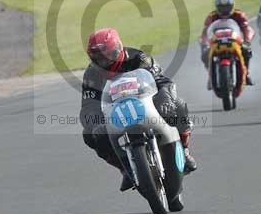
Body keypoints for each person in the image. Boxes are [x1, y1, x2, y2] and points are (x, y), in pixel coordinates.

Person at [80, 28, 197, 191]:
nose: (104, 61)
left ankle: (184, 150)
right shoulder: (92, 73)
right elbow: (88, 104)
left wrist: (165, 98)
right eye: (98, 57)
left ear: (118, 48)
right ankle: (125, 168)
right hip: (116, 111)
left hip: (148, 101)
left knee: (178, 104)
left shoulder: (139, 58)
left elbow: (164, 81)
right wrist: (94, 124)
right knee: (91, 135)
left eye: (108, 55)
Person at [199, 0, 255, 86]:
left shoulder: (239, 15)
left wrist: (247, 41)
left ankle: (246, 74)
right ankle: (211, 76)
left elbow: (247, 29)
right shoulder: (212, 16)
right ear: (217, 6)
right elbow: (204, 33)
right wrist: (205, 44)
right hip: (216, 41)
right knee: (205, 54)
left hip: (235, 41)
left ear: (232, 5)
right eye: (222, 7)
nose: (224, 10)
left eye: (227, 6)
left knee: (247, 51)